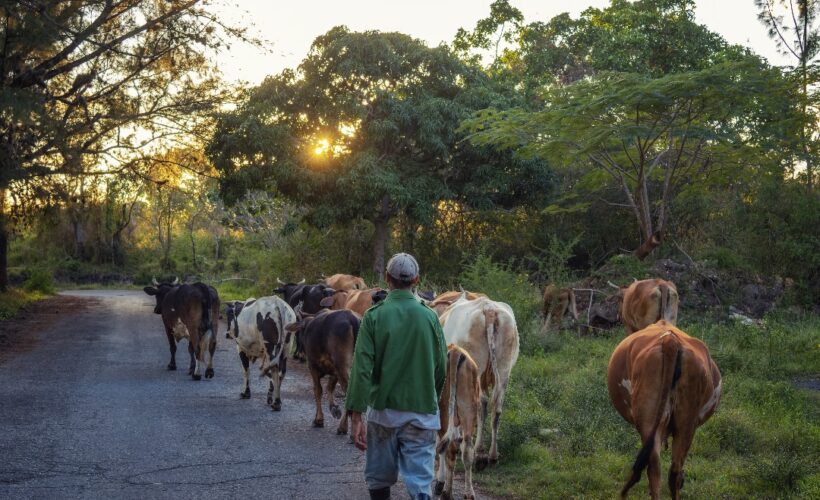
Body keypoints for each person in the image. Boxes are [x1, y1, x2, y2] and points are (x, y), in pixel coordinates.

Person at [346, 253, 448, 500]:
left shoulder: (373, 316)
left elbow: (361, 369)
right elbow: (441, 367)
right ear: (417, 279)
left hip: (384, 415)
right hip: (422, 415)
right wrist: (429, 399)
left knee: (379, 479)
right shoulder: (430, 316)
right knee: (420, 484)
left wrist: (356, 414)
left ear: (386, 278)